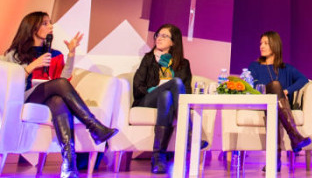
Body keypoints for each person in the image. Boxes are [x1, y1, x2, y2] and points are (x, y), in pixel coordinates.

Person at [2, 12, 118, 178]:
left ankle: (68, 164)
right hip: (23, 98)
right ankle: (94, 127)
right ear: (33, 28)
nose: (51, 27)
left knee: (58, 101)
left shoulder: (54, 54)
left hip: (47, 96)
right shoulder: (14, 54)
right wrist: (29, 67)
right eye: (45, 23)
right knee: (60, 88)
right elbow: (7, 84)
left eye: (50, 23)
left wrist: (71, 54)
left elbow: (63, 80)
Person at [132, 24, 193, 174]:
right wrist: (154, 90)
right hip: (147, 99)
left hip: (168, 102)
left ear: (173, 42)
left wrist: (164, 90)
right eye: (158, 35)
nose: (159, 38)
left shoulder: (183, 64)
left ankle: (158, 157)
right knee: (175, 83)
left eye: (164, 36)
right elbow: (137, 85)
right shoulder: (148, 59)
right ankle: (190, 134)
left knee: (166, 95)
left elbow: (187, 91)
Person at [247, 31, 311, 171]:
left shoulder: (285, 68)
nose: (262, 46)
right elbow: (254, 85)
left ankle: (274, 159)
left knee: (274, 106)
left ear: (275, 46)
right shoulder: (255, 66)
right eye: (261, 43)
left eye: (266, 43)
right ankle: (294, 136)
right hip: (261, 102)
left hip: (276, 106)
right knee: (275, 86)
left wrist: (286, 91)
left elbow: (303, 79)